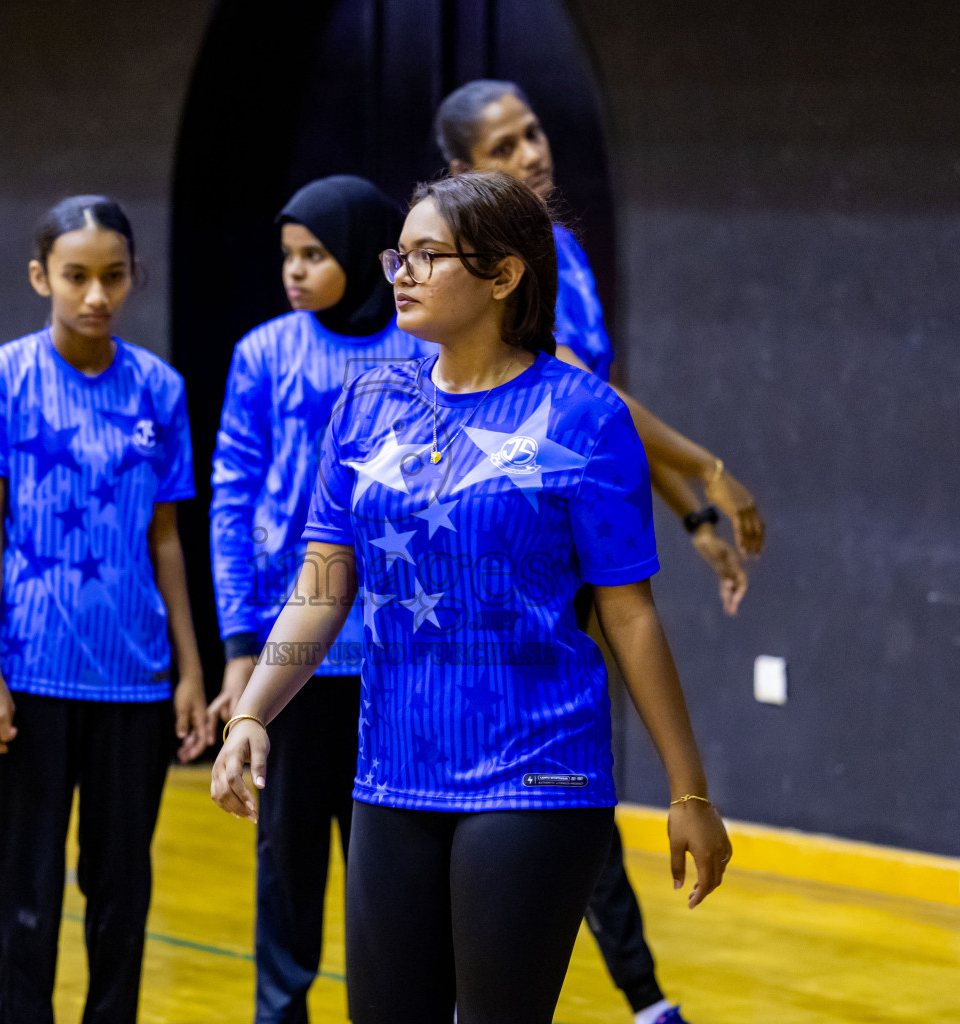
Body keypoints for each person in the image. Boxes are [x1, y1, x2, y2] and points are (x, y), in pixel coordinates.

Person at [211, 171, 730, 1024]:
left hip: (537, 774)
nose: (400, 276)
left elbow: (629, 613)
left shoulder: (585, 416)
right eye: (397, 256)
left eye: (426, 257)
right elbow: (325, 579)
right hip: (391, 775)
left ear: (503, 274)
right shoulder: (368, 402)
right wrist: (254, 713)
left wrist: (689, 794)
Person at [434, 79, 765, 1024]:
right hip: (499, 560)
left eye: (534, 132)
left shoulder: (564, 253)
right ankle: (632, 996)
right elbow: (582, 389)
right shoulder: (476, 280)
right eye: (504, 147)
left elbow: (598, 417)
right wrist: (708, 469)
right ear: (463, 174)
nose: (533, 152)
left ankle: (638, 996)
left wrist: (692, 516)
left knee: (571, 779)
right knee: (539, 785)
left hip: (576, 548)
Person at [0, 195, 211, 1023]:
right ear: (42, 278)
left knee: (120, 892)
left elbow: (167, 539)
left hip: (134, 685)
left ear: (134, 277)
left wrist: (190, 671)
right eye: (76, 277)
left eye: (113, 276)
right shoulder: (2, 378)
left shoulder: (160, 388)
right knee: (18, 894)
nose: (96, 295)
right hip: (28, 679)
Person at [207, 175, 430, 1024]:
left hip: (396, 652)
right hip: (290, 651)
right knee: (287, 858)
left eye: (315, 254)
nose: (294, 272)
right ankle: (280, 1012)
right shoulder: (264, 353)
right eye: (287, 257)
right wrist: (239, 640)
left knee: (387, 861)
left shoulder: (421, 351)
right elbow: (233, 495)